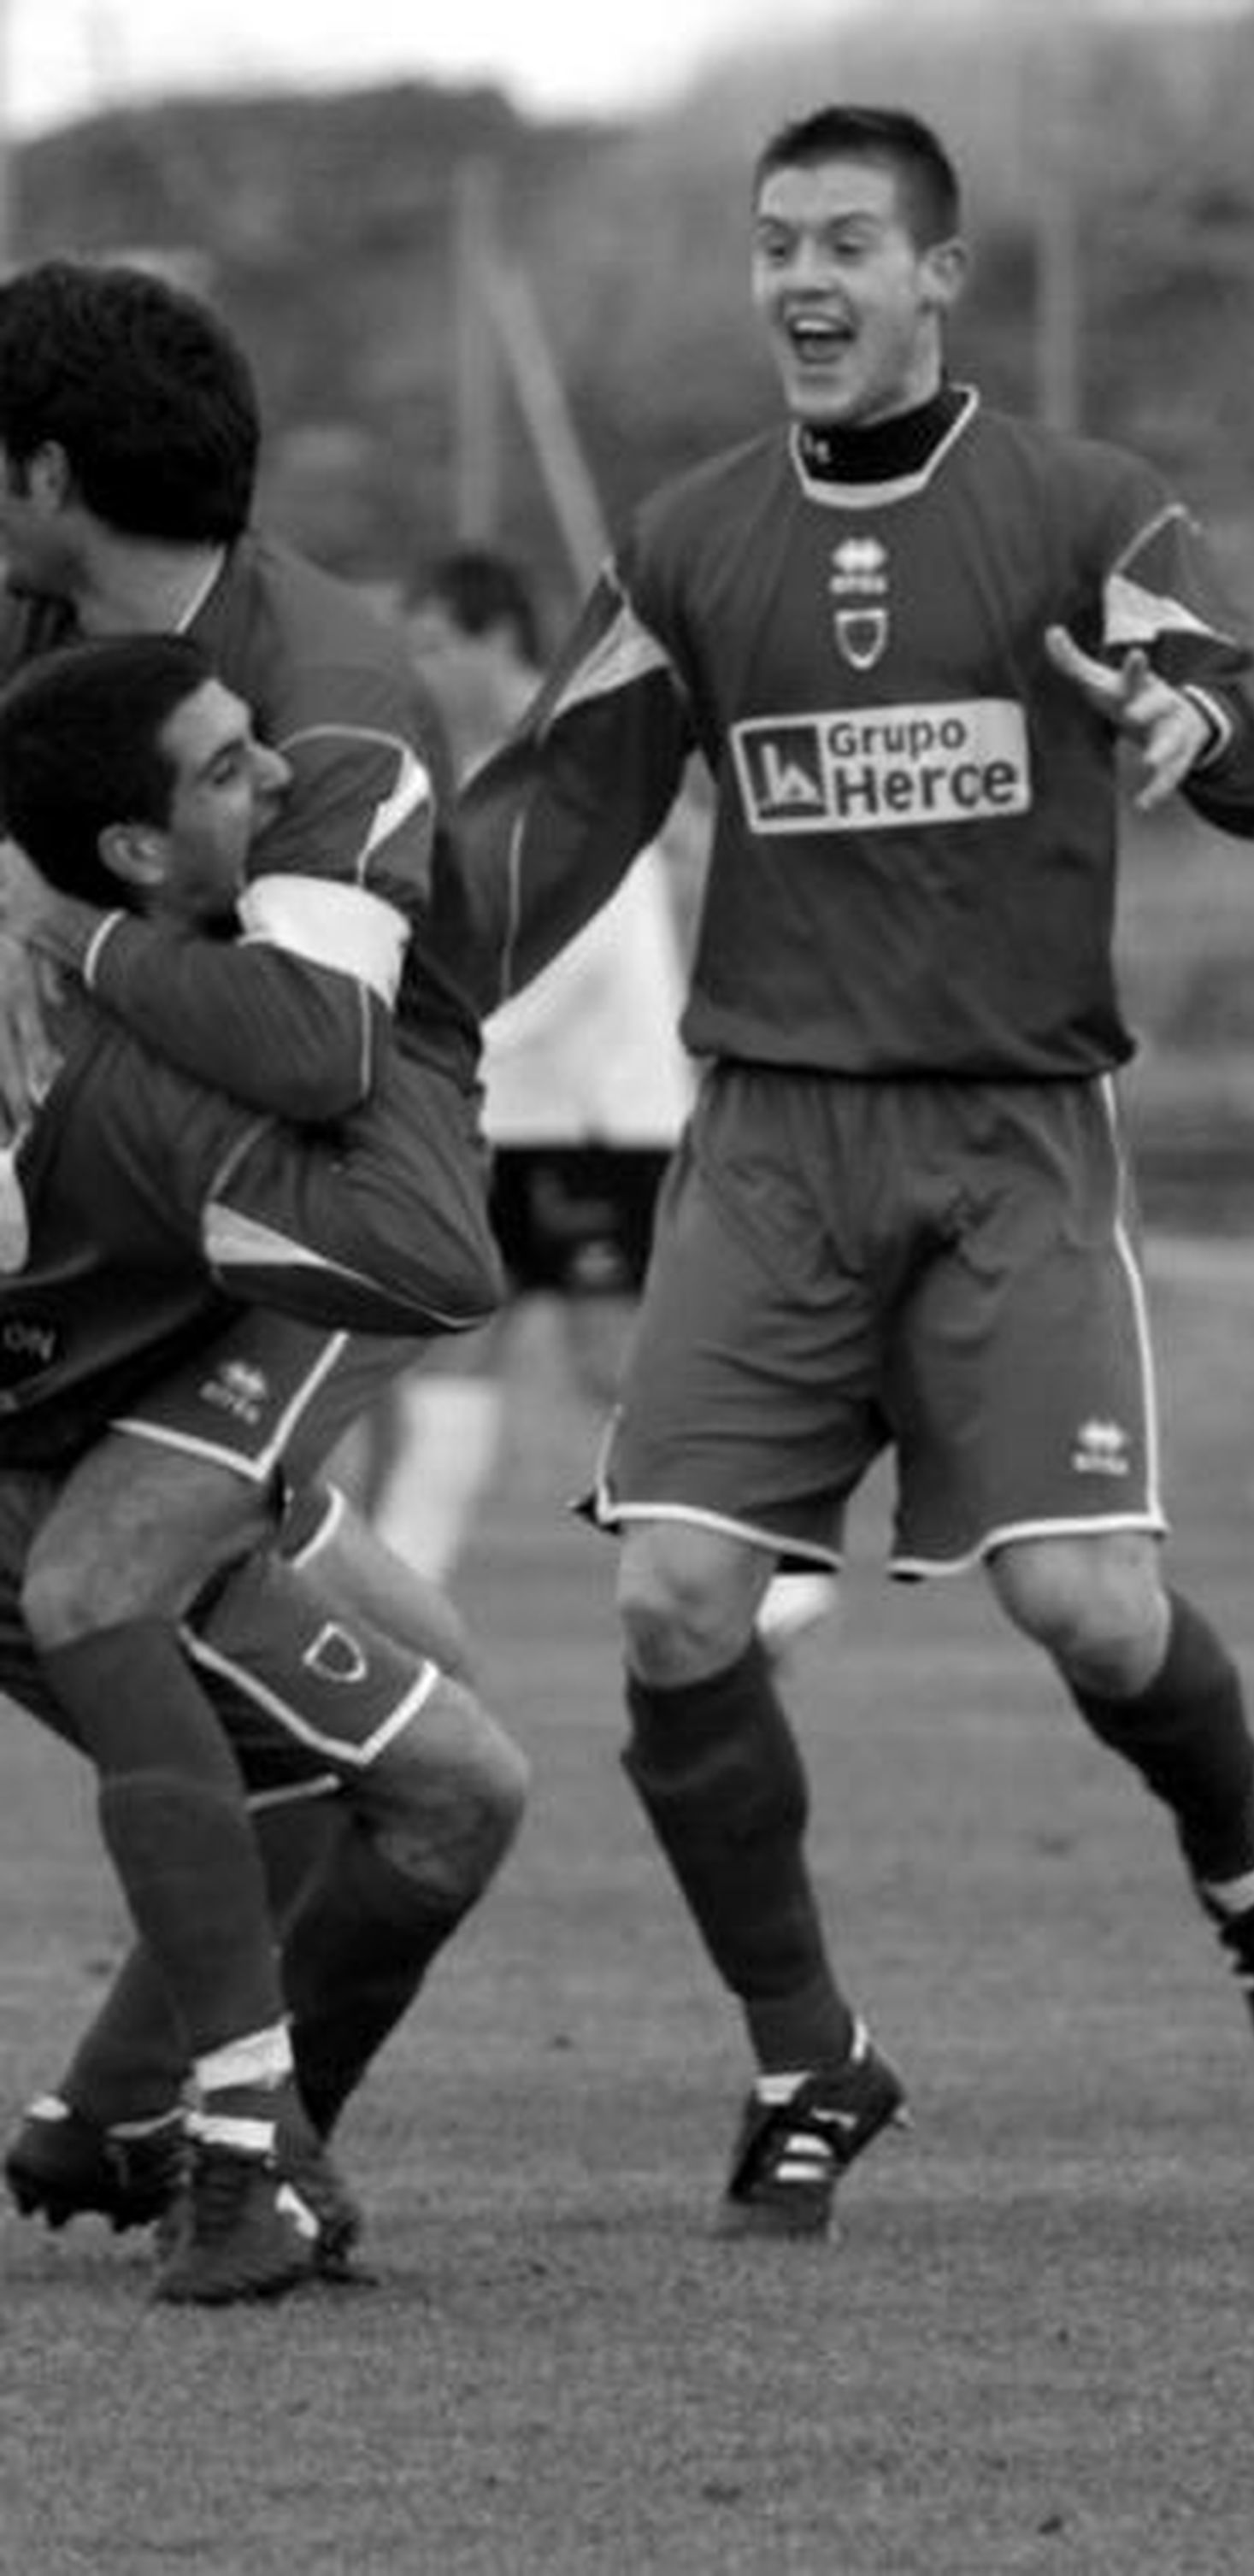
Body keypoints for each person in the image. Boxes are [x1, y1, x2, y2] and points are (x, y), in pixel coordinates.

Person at [456, 104, 1254, 2238]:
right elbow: (535, 833)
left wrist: (1195, 732)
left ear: (939, 275)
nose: (802, 278)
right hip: (768, 1136)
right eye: (775, 242)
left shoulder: (1081, 511)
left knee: (1084, 1602)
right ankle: (806, 2055)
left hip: (1002, 1135)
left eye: (849, 242)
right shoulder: (683, 543)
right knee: (674, 1601)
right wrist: (347, 984)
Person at [0, 256, 498, 2253]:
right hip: (122, 1243)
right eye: (219, 780)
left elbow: (316, 1053)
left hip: (305, 1209)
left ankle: (174, 2126)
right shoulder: (44, 634)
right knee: (417, 1731)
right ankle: (204, 2142)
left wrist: (79, 943)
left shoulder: (329, 682)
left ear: (40, 474)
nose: (258, 780)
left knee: (417, 1745)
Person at [353, 544, 694, 1590]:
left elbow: (567, 950)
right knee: (454, 1346)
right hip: (491, 1118)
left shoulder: (571, 756)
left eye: (433, 643)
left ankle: (747, 1571)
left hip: (606, 1121)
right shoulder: (452, 772)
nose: (420, 668)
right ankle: (398, 1596)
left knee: (618, 1361)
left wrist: (410, 1046)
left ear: (496, 640)